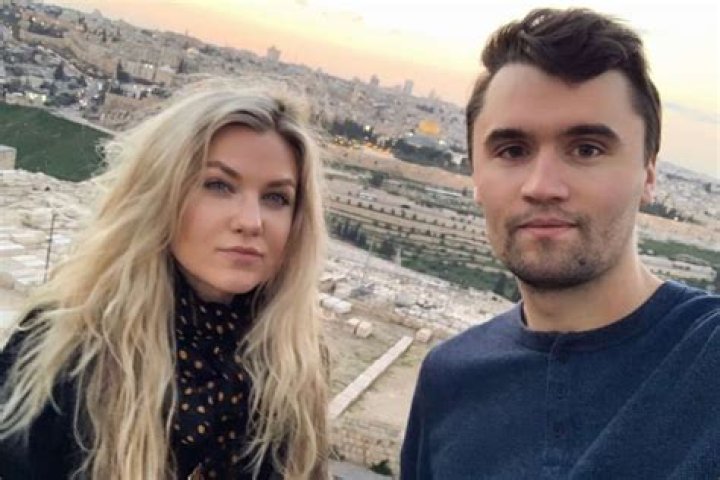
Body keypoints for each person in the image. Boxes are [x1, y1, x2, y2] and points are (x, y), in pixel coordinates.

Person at [401, 8, 720, 479]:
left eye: (587, 149)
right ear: (476, 176)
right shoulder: (447, 381)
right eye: (512, 150)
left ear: (649, 173)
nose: (542, 186)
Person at [0, 83, 329, 479]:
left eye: (276, 198)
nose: (251, 221)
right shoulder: (66, 345)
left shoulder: (295, 361)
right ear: (160, 194)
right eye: (218, 186)